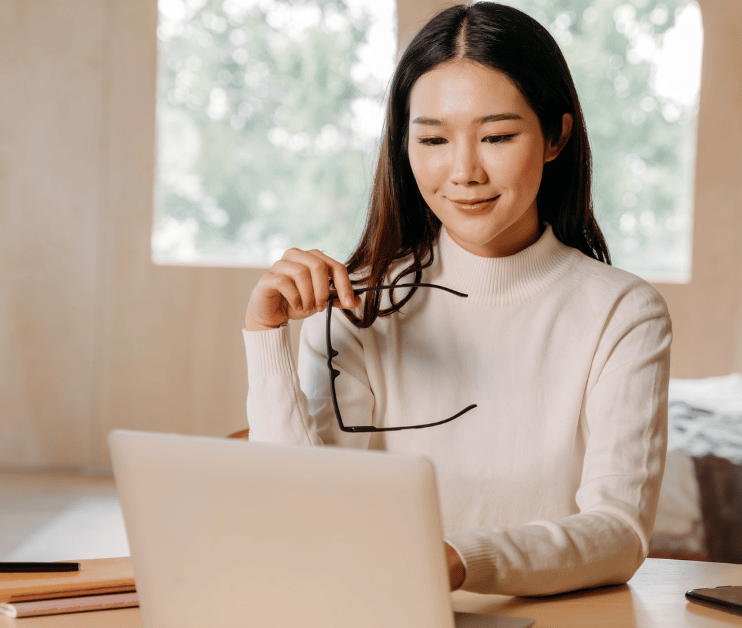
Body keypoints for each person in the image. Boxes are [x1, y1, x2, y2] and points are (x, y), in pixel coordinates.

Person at [242, 2, 671, 597]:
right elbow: (296, 513)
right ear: (404, 146)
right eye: (434, 139)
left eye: (496, 136)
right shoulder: (356, 304)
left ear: (554, 137)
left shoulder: (623, 313)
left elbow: (619, 531)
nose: (464, 170)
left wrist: (457, 559)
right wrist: (266, 340)